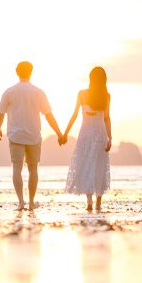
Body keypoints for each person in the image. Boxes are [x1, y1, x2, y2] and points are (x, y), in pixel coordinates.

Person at [0, 61, 65, 211]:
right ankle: (31, 202)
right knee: (33, 169)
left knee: (17, 168)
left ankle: (21, 202)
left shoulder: (9, 92)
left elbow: (0, 114)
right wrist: (59, 133)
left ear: (17, 72)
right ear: (31, 72)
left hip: (15, 135)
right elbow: (48, 115)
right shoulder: (38, 92)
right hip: (33, 135)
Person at [61, 66, 112, 212]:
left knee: (87, 165)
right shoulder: (106, 95)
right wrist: (110, 138)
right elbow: (107, 119)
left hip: (85, 134)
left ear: (90, 78)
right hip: (100, 134)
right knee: (99, 167)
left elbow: (75, 115)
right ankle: (98, 203)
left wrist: (65, 133)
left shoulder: (82, 94)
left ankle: (89, 202)